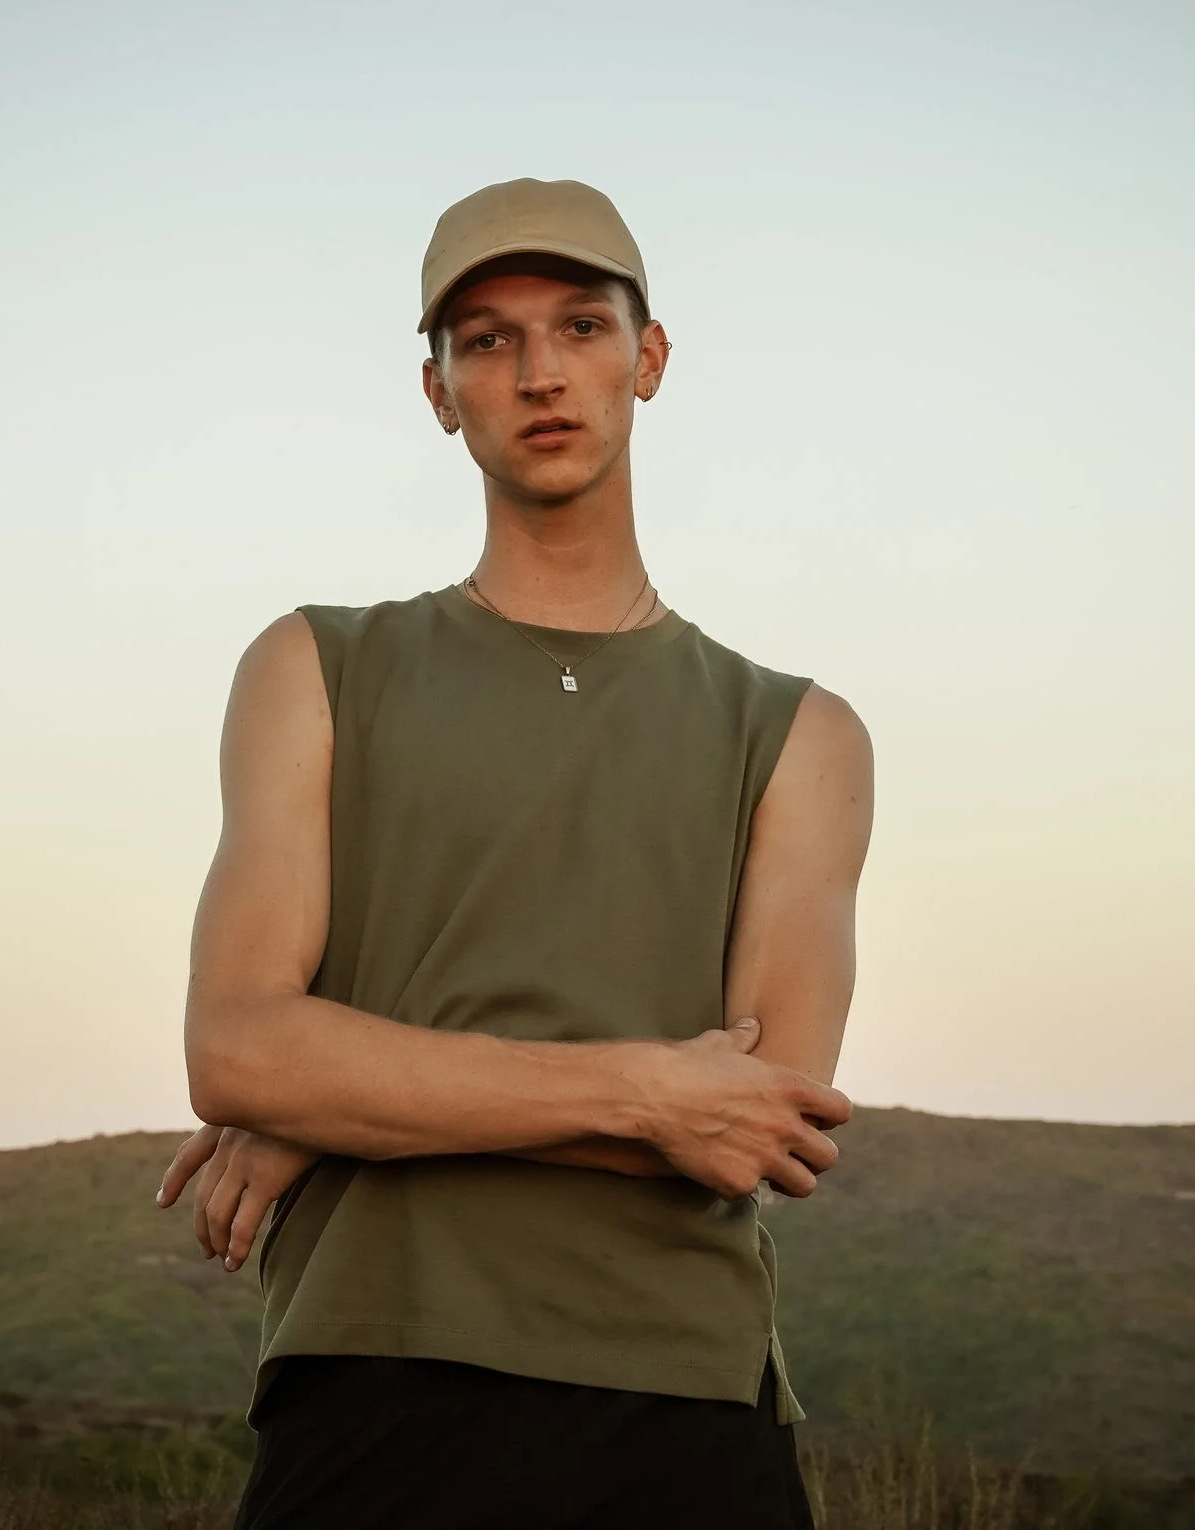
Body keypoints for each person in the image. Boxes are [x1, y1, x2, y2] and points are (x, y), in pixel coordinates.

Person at [156, 177, 875, 1529]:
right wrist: (647, 1089)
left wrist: (345, 1103)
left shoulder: (799, 733)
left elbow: (758, 1120)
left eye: (581, 326)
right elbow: (239, 1051)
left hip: (684, 1394)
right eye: (487, 340)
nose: (540, 373)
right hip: (374, 1374)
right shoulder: (318, 667)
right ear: (437, 390)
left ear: (649, 357)